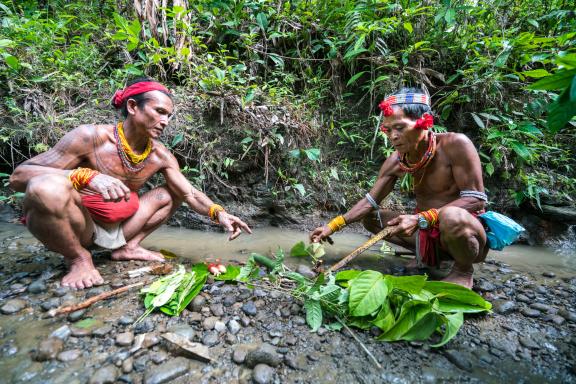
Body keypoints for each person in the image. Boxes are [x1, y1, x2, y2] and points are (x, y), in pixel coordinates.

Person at [9, 78, 252, 289]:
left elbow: (189, 193)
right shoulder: (89, 137)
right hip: (80, 228)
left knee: (171, 192)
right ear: (133, 106)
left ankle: (128, 248)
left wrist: (219, 213)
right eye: (159, 111)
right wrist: (85, 176)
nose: (165, 121)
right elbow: (19, 176)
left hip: (120, 231)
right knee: (44, 188)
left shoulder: (160, 155)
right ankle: (78, 259)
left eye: (168, 115)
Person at [310, 87, 488, 288]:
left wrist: (419, 218)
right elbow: (370, 201)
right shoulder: (397, 160)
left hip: (462, 232)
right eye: (388, 130)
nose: (393, 136)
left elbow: (476, 199)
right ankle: (428, 257)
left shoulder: (455, 145)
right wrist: (331, 226)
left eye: (400, 128)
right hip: (426, 232)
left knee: (451, 216)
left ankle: (463, 270)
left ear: (425, 122)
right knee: (371, 217)